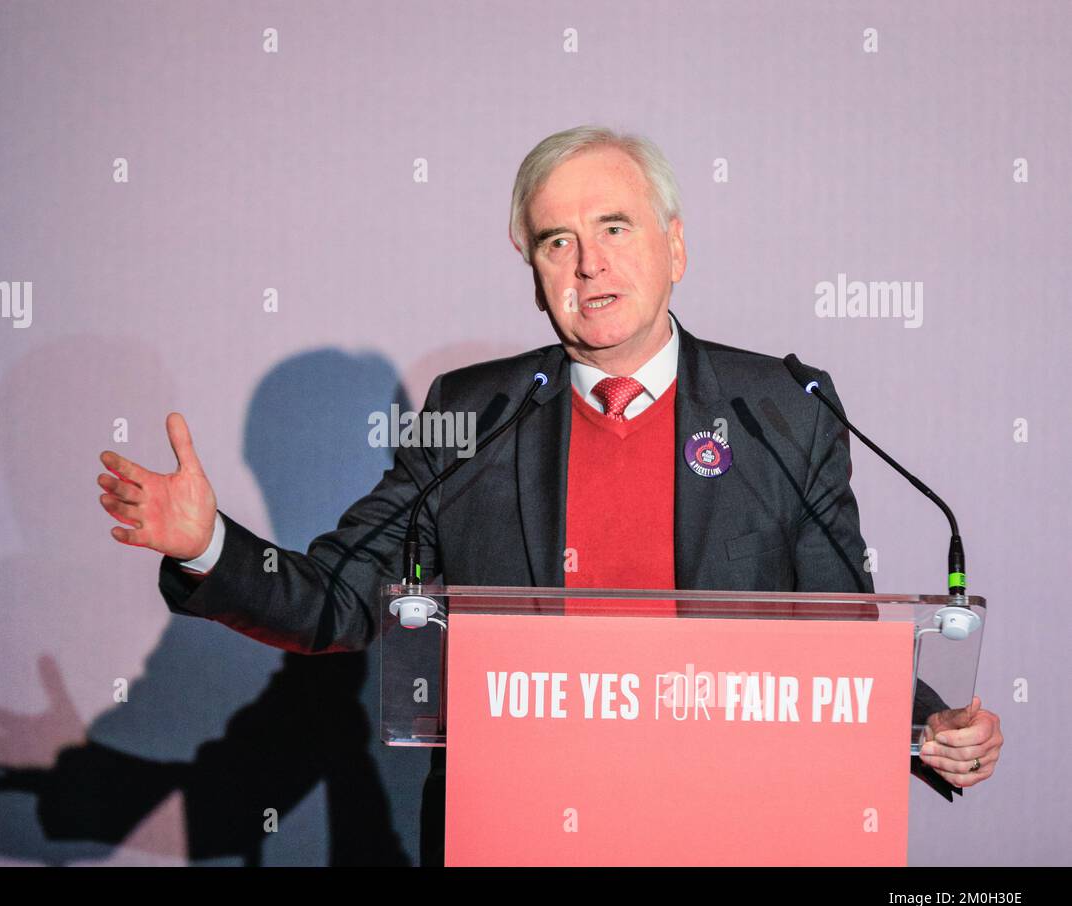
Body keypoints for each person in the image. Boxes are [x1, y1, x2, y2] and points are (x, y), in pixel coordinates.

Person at [97, 126, 1003, 866]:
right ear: (532, 270)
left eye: (615, 227)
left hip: (733, 825)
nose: (587, 264)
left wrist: (927, 726)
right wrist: (206, 542)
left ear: (675, 244)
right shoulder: (469, 413)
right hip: (521, 832)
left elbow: (834, 634)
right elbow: (340, 600)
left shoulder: (781, 410)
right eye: (555, 240)